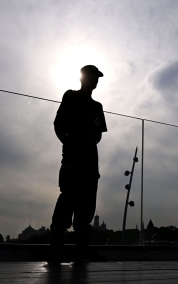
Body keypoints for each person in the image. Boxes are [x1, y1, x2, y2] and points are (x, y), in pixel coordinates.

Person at [49, 65, 108, 264]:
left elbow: (99, 135)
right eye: (92, 76)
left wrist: (88, 144)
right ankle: (57, 250)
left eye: (97, 77)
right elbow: (58, 125)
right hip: (74, 160)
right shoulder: (71, 97)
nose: (96, 80)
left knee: (86, 209)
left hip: (90, 162)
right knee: (67, 202)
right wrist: (69, 144)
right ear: (83, 78)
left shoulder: (97, 106)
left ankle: (82, 250)